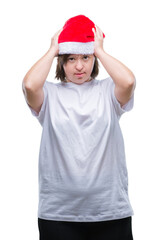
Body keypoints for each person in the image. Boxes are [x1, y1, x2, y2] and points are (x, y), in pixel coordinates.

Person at [22, 15, 136, 240]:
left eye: (86, 57)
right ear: (61, 61)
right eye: (71, 58)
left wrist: (100, 50)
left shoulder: (108, 91)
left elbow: (129, 82)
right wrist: (53, 48)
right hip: (58, 214)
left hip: (110, 211)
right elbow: (29, 85)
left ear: (94, 59)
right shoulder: (50, 95)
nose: (79, 66)